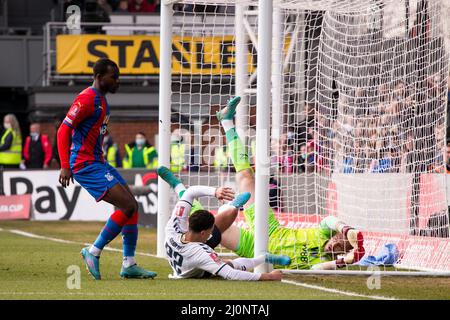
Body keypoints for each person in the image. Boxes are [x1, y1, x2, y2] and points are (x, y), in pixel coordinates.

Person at [213, 96, 365, 270]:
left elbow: (318, 269)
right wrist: (346, 229)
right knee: (246, 176)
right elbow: (329, 220)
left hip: (253, 248)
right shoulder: (322, 233)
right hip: (269, 229)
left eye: (341, 247)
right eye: (337, 239)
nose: (335, 245)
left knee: (213, 230)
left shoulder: (322, 259)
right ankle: (226, 121)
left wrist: (344, 261)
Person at [57, 58, 156, 280]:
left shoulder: (101, 100)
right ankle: (93, 251)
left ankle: (129, 264)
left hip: (97, 162)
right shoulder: (86, 99)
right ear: (99, 77)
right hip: (85, 164)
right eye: (114, 77)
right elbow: (63, 131)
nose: (118, 81)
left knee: (132, 206)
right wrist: (65, 165)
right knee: (129, 205)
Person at [163, 182, 289, 280]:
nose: (210, 233)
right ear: (202, 233)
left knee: (217, 235)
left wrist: (215, 192)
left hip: (184, 260)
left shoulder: (172, 227)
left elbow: (189, 192)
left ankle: (231, 206)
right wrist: (269, 277)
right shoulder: (201, 253)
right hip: (197, 271)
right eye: (209, 231)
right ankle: (265, 258)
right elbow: (231, 274)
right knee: (227, 264)